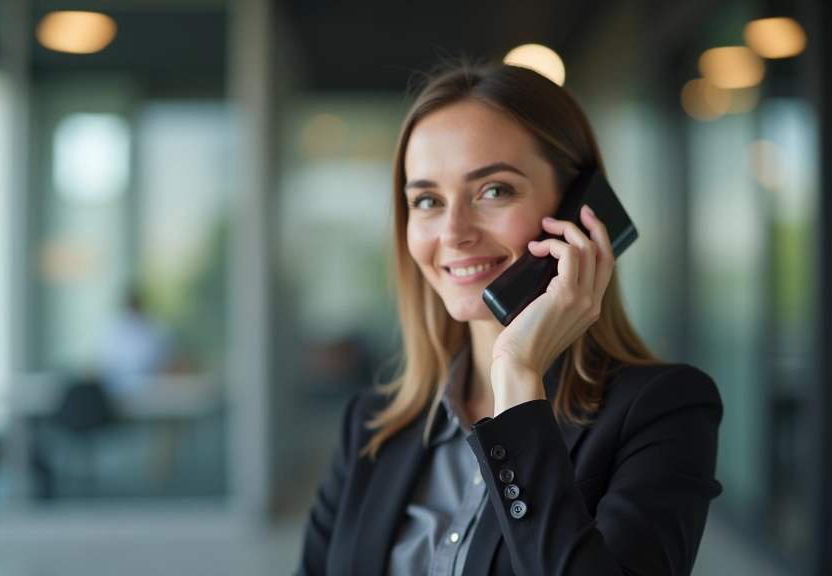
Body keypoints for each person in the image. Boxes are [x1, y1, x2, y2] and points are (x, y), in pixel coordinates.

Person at [295, 62, 722, 576]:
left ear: (579, 210)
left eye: (494, 190)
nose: (453, 233)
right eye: (427, 201)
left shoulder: (663, 410)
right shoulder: (369, 425)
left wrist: (518, 375)